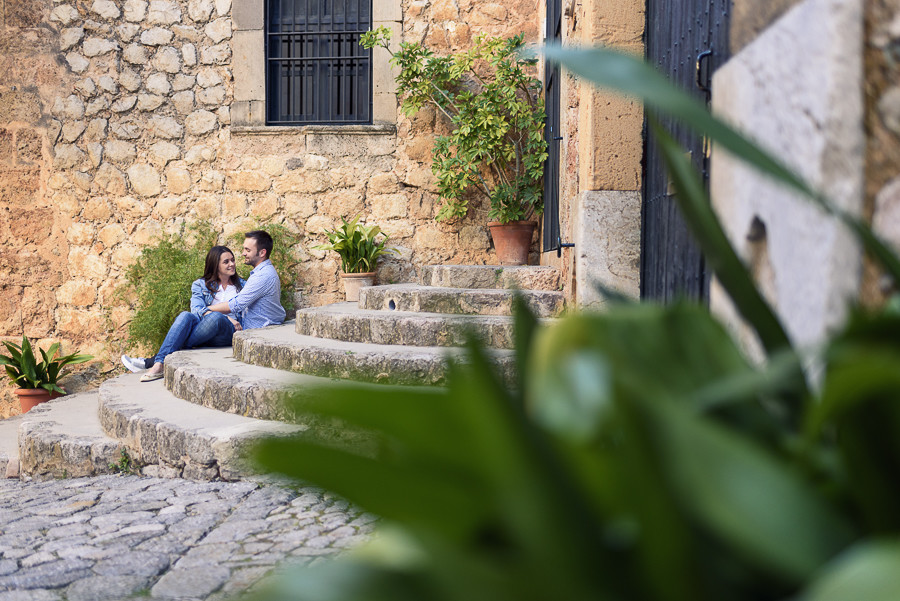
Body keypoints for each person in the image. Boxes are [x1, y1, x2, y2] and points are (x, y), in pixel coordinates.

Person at [122, 231, 285, 382]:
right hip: (206, 330)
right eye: (226, 261)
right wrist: (226, 316)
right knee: (186, 316)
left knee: (214, 317)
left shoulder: (243, 284)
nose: (232, 264)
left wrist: (219, 316)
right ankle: (157, 364)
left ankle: (153, 361)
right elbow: (196, 311)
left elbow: (237, 305)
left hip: (229, 331)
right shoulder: (200, 285)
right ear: (216, 265)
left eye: (233, 260)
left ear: (261, 252)